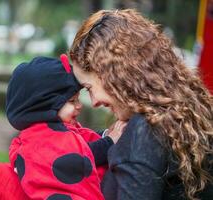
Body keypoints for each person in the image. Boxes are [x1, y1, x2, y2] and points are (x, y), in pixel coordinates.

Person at [69, 9, 213, 200]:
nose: (94, 102)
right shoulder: (188, 110)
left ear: (113, 74)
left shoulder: (143, 131)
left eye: (89, 87)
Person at [0, 55, 126, 200]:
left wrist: (104, 135)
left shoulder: (58, 129)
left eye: (77, 99)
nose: (79, 106)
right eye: (71, 101)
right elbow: (76, 156)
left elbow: (80, 142)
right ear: (45, 105)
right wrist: (109, 142)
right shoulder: (42, 134)